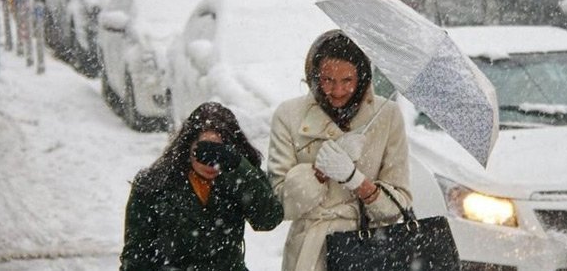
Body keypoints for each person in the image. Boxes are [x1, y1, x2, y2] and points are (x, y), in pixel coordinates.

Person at [268, 29, 412, 271]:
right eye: (328, 80)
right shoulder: (289, 115)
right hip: (309, 250)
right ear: (314, 77)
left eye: (347, 81)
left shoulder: (386, 116)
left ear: (362, 78)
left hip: (368, 250)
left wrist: (356, 180)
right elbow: (279, 202)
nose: (337, 91)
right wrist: (319, 172)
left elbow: (399, 205)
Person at [120, 102, 284, 271]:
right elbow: (136, 254)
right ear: (187, 146)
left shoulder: (238, 179)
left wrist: (238, 166)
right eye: (204, 151)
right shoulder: (155, 185)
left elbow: (268, 219)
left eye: (220, 152)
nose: (212, 163)